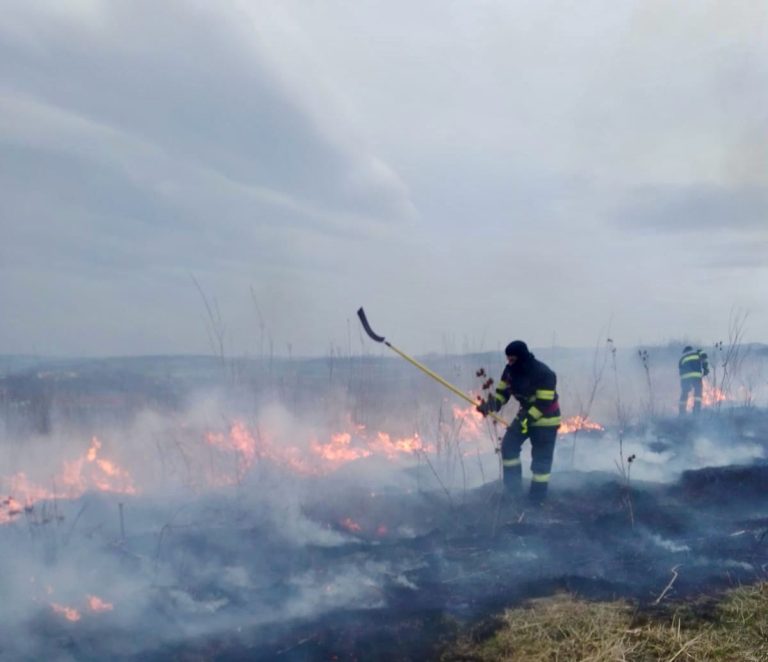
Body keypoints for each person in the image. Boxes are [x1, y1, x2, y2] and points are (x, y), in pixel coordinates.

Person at [477, 341, 561, 505]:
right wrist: (491, 405)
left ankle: (537, 500)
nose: (509, 363)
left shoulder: (543, 373)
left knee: (541, 460)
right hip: (525, 414)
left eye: (512, 359)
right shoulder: (509, 371)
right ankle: (513, 492)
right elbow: (502, 394)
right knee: (509, 446)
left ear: (522, 357)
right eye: (508, 359)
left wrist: (527, 421)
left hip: (546, 419)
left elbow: (543, 404)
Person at [678, 346, 709, 415]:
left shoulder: (682, 358)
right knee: (697, 394)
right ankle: (696, 411)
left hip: (685, 379)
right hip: (696, 377)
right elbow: (704, 357)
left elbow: (680, 371)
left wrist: (683, 383)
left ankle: (682, 412)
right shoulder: (698, 353)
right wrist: (706, 369)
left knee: (684, 394)